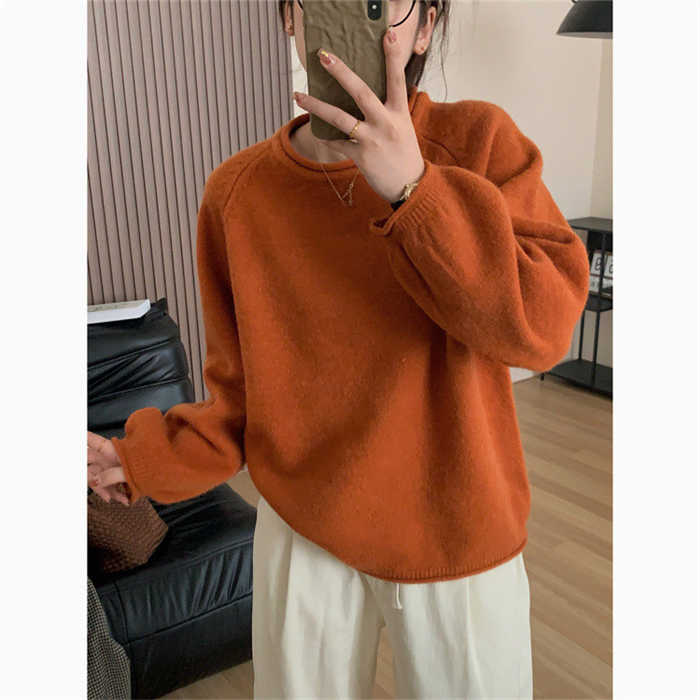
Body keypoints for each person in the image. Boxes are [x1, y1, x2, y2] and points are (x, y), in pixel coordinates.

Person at [88, 0, 591, 697]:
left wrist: (415, 190)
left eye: (382, 5)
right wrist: (142, 458)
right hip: (305, 530)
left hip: (457, 526)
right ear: (291, 17)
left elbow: (546, 327)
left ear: (426, 25)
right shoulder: (238, 194)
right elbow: (240, 400)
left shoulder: (479, 144)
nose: (360, 17)